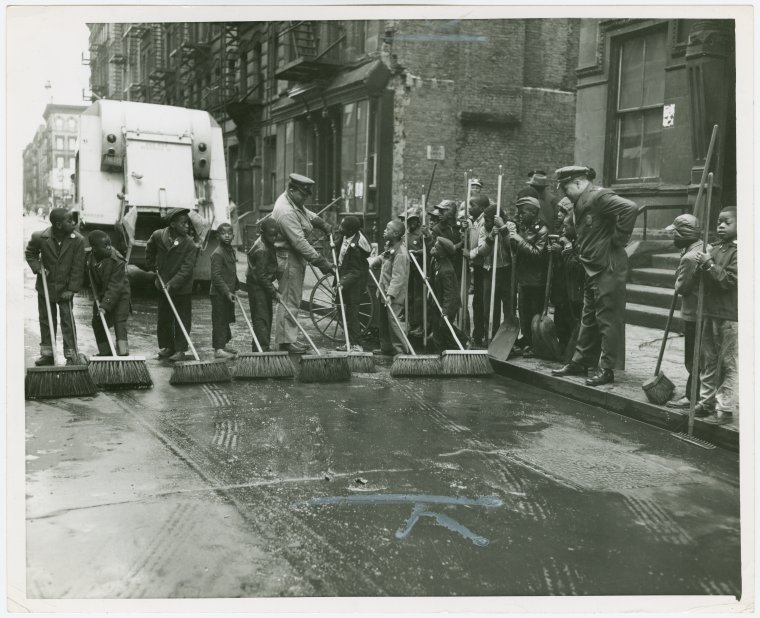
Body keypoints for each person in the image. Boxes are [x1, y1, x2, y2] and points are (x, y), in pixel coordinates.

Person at [551, 165, 638, 386]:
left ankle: (607, 368)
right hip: (592, 267)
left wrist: (619, 240)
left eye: (565, 188)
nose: (564, 194)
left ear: (579, 183)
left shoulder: (599, 197)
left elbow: (630, 208)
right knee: (589, 317)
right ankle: (580, 361)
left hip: (607, 267)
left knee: (608, 320)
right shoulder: (581, 202)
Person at [271, 173, 334, 354]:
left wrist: (321, 223)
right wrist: (321, 262)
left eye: (307, 195)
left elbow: (305, 213)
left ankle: (289, 338)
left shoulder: (292, 202)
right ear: (292, 190)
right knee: (290, 298)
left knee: (294, 298)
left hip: (295, 256)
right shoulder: (285, 211)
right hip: (288, 257)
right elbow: (299, 242)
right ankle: (285, 342)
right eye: (303, 194)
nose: (305, 198)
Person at [694, 207, 738, 425]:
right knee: (709, 359)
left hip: (731, 314)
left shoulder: (741, 251)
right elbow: (700, 277)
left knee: (729, 362)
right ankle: (706, 401)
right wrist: (701, 263)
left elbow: (729, 280)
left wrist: (709, 263)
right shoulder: (715, 247)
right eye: (719, 222)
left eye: (726, 222)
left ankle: (725, 407)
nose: (720, 225)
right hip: (710, 311)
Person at [25, 208, 85, 365]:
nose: (73, 223)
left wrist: (71, 289)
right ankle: (48, 354)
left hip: (65, 289)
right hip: (45, 288)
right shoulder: (40, 237)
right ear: (58, 225)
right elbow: (30, 253)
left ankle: (71, 354)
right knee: (46, 320)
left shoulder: (77, 240)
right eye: (69, 220)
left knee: (68, 321)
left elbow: (78, 268)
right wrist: (38, 268)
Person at [145, 208, 199, 362]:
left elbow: (187, 268)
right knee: (164, 318)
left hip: (182, 288)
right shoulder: (158, 236)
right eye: (184, 223)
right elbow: (150, 248)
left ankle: (181, 349)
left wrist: (173, 283)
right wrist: (151, 264)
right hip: (162, 285)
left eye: (188, 223)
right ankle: (168, 346)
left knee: (182, 318)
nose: (187, 227)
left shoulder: (189, 244)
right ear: (173, 225)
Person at [664, 214, 703, 409]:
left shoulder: (689, 257)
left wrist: (679, 271)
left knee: (692, 358)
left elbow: (682, 287)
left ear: (684, 234)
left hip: (694, 313)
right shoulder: (702, 247)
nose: (673, 238)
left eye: (675, 234)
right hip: (702, 312)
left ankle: (692, 396)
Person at [509, 196, 548, 356]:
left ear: (533, 212)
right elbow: (517, 250)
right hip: (523, 277)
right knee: (523, 311)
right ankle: (526, 338)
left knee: (533, 311)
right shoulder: (525, 227)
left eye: (522, 212)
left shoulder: (542, 230)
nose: (519, 215)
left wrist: (519, 240)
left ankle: (535, 343)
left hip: (535, 280)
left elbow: (538, 254)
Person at [86, 230, 131, 356]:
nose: (109, 247)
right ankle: (105, 353)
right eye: (105, 245)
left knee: (119, 321)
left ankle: (123, 353)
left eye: (109, 244)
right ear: (94, 248)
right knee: (97, 322)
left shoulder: (117, 261)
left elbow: (115, 287)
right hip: (101, 295)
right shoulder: (90, 258)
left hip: (120, 294)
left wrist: (104, 306)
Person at [549, 198, 585, 353]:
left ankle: (572, 349)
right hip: (561, 284)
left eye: (563, 211)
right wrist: (556, 252)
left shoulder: (580, 239)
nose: (559, 215)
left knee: (572, 317)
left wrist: (566, 250)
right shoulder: (563, 232)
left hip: (573, 288)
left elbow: (576, 265)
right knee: (560, 316)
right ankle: (562, 345)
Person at [370, 220, 410, 356]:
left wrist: (390, 295)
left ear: (396, 233)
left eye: (388, 229)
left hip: (394, 294)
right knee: (384, 321)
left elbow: (398, 277)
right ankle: (386, 347)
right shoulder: (391, 246)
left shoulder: (401, 253)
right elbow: (385, 256)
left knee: (394, 322)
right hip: (383, 289)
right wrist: (376, 261)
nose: (384, 231)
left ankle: (401, 350)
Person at [335, 215, 372, 352]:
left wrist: (343, 282)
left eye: (342, 227)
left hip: (354, 283)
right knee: (341, 310)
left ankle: (356, 344)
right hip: (344, 277)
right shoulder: (347, 236)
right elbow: (341, 245)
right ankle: (349, 342)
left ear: (351, 231)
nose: (340, 228)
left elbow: (355, 271)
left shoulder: (356, 247)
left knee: (352, 314)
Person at [478, 203, 513, 341]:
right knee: (490, 307)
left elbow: (511, 246)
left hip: (506, 270)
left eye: (487, 220)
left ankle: (508, 339)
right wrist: (491, 237)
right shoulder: (484, 230)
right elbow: (481, 251)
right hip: (489, 271)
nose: (485, 223)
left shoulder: (510, 226)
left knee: (508, 306)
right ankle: (491, 336)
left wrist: (503, 228)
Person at [246, 218, 280, 352]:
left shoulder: (266, 243)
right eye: (271, 235)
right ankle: (262, 349)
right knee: (261, 318)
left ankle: (261, 346)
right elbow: (261, 277)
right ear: (262, 233)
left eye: (275, 235)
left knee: (266, 315)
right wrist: (274, 292)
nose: (274, 238)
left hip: (261, 284)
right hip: (257, 286)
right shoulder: (261, 250)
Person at [209, 222, 241, 359]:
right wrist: (227, 291)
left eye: (229, 233)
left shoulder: (230, 250)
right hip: (219, 293)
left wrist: (236, 287)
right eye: (223, 233)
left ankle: (223, 344)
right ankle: (218, 349)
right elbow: (216, 276)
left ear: (233, 236)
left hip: (229, 292)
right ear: (218, 236)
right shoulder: (218, 253)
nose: (227, 236)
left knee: (226, 318)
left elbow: (231, 271)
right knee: (219, 320)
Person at [430, 236, 466, 351]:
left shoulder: (446, 270)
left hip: (449, 304)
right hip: (438, 302)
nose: (432, 249)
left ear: (442, 253)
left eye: (436, 248)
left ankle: (462, 341)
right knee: (437, 330)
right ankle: (440, 353)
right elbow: (433, 278)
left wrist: (445, 312)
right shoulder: (435, 261)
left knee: (445, 327)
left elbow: (449, 294)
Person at [465, 194, 489, 346]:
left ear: (481, 208)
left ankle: (484, 333)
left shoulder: (485, 221)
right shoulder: (472, 222)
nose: (469, 208)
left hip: (484, 266)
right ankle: (478, 333)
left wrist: (470, 254)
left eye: (472, 205)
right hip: (477, 265)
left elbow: (483, 246)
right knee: (477, 302)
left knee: (483, 301)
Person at [400, 206, 425, 338]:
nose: (412, 223)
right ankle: (410, 323)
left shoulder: (421, 234)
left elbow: (427, 250)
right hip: (408, 269)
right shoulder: (406, 234)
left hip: (419, 269)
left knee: (419, 298)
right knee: (408, 297)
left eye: (414, 220)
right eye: (410, 220)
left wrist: (418, 253)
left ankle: (420, 325)